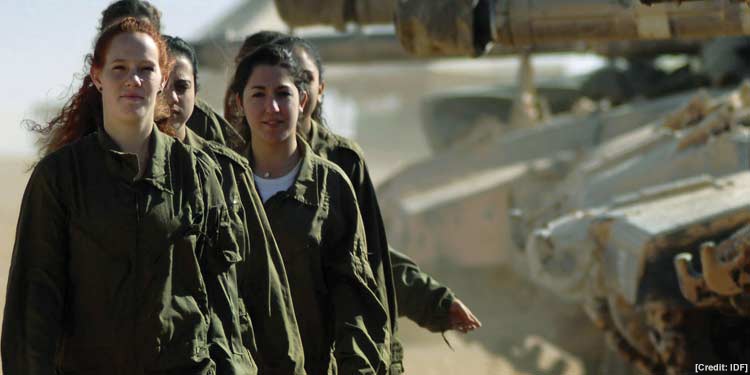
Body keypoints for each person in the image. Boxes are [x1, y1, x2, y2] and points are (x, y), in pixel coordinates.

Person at [2, 18, 235, 374]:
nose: (134, 80)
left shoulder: (197, 173)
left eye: (146, 69)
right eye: (119, 68)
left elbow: (224, 300)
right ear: (97, 76)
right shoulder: (61, 177)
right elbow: (34, 302)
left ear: (163, 78)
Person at [281, 36, 481, 336]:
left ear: (320, 90)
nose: (298, 91)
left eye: (305, 79)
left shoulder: (341, 161)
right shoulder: (238, 161)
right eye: (287, 81)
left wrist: (432, 301)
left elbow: (368, 251)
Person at [228, 44, 388, 374]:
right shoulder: (220, 182)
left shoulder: (331, 186)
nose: (271, 107)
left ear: (302, 101)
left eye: (283, 94)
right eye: (258, 94)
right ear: (239, 103)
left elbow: (353, 294)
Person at [162, 34, 305, 375]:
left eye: (182, 86)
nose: (170, 98)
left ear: (198, 92)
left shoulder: (226, 172)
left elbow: (265, 288)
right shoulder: (103, 172)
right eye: (162, 85)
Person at [98, 0, 244, 148]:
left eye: (142, 33)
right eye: (117, 35)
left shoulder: (198, 118)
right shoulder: (84, 119)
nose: (130, 44)